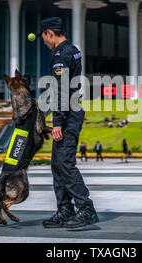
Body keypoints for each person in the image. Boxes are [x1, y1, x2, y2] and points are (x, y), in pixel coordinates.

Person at [39, 17, 98, 229]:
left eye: (43, 37)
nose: (44, 42)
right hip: (73, 111)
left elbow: (61, 91)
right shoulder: (73, 49)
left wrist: (57, 122)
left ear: (49, 33)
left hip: (68, 115)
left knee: (65, 163)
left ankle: (86, 208)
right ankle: (65, 209)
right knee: (57, 164)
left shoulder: (60, 57)